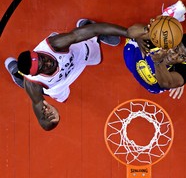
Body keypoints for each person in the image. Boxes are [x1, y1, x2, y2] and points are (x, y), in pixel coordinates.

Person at [4, 21, 143, 131]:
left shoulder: (54, 44)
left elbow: (92, 30)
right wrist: (47, 120)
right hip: (57, 85)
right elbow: (42, 117)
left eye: (42, 58)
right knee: (43, 92)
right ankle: (19, 76)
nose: (48, 62)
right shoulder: (33, 84)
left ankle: (86, 25)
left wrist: (128, 33)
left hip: (77, 56)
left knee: (90, 35)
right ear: (37, 74)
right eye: (43, 67)